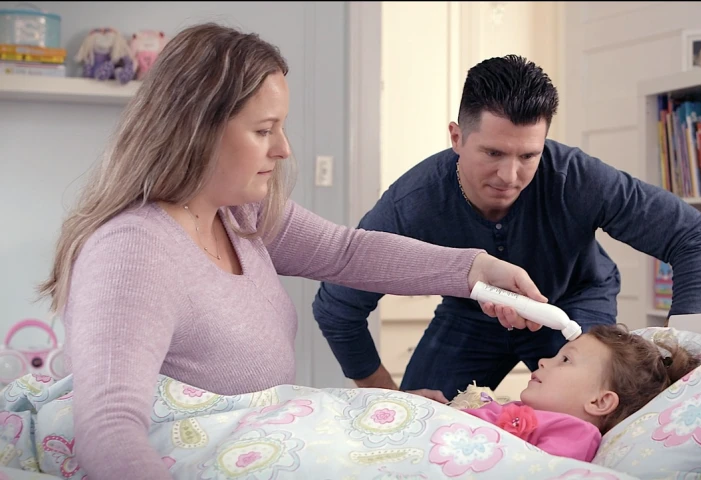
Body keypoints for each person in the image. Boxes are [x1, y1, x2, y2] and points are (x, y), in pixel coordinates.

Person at [35, 24, 549, 480]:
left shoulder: (238, 217)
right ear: (196, 130)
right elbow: (109, 426)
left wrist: (476, 269)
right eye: (263, 130)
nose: (282, 149)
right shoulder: (131, 254)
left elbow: (348, 252)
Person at [312, 54, 701, 403]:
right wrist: (384, 397)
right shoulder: (411, 204)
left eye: (529, 155)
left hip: (573, 306)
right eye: (493, 152)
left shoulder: (578, 177)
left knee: (591, 420)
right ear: (457, 137)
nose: (509, 175)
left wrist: (682, 348)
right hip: (469, 317)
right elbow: (336, 308)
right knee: (416, 425)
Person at [454, 324, 701, 461]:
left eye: (565, 360)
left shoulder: (575, 433)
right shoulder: (520, 408)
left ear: (599, 401)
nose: (542, 361)